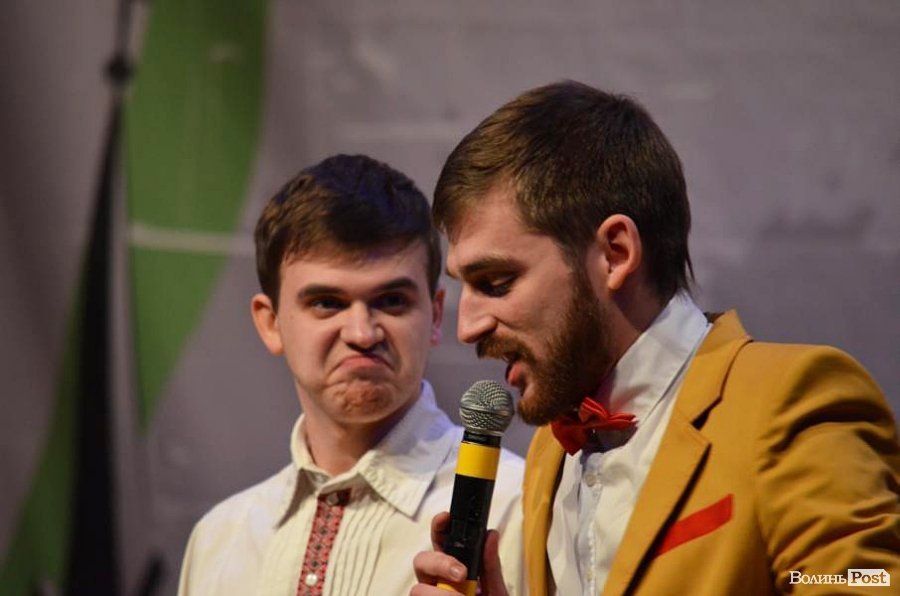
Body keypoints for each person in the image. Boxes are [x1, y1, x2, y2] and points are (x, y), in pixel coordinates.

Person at [412, 81, 900, 595]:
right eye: (463, 287)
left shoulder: (791, 400)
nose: (467, 327)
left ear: (616, 254)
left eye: (496, 282)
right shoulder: (548, 454)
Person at [178, 154, 525, 595]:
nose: (362, 333)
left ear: (436, 315)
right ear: (270, 322)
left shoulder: (517, 507)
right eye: (327, 303)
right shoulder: (219, 540)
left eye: (392, 301)